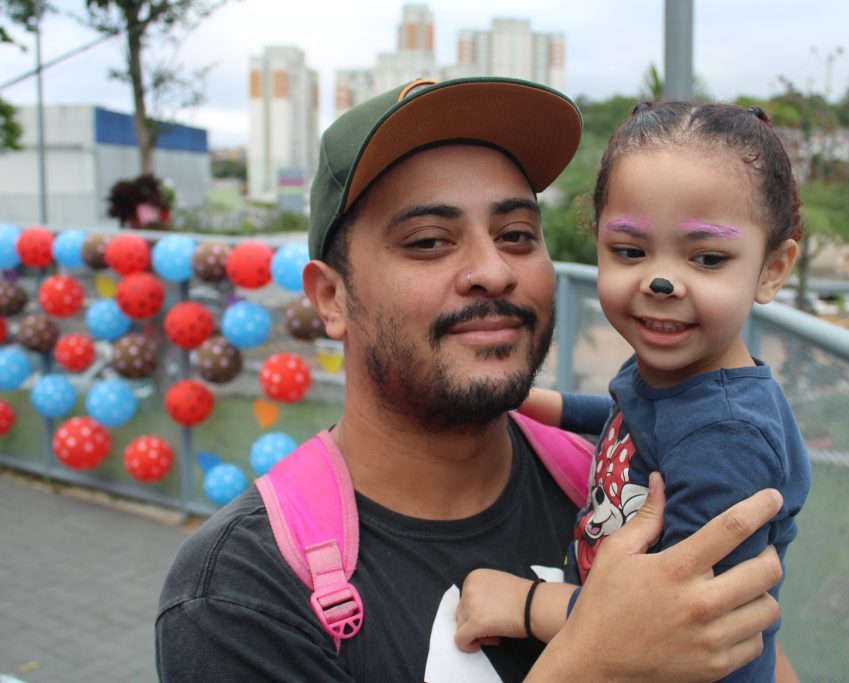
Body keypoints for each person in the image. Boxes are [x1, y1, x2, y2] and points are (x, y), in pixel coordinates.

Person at [156, 78, 787, 682]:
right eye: (429, 241)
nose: (493, 270)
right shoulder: (240, 596)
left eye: (516, 235)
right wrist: (595, 659)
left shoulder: (615, 478)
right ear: (331, 298)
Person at [454, 100, 812, 681]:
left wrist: (526, 604)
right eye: (629, 252)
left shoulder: (727, 436)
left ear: (772, 269)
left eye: (708, 258)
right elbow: (636, 415)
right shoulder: (675, 372)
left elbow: (674, 617)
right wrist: (548, 406)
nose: (660, 281)